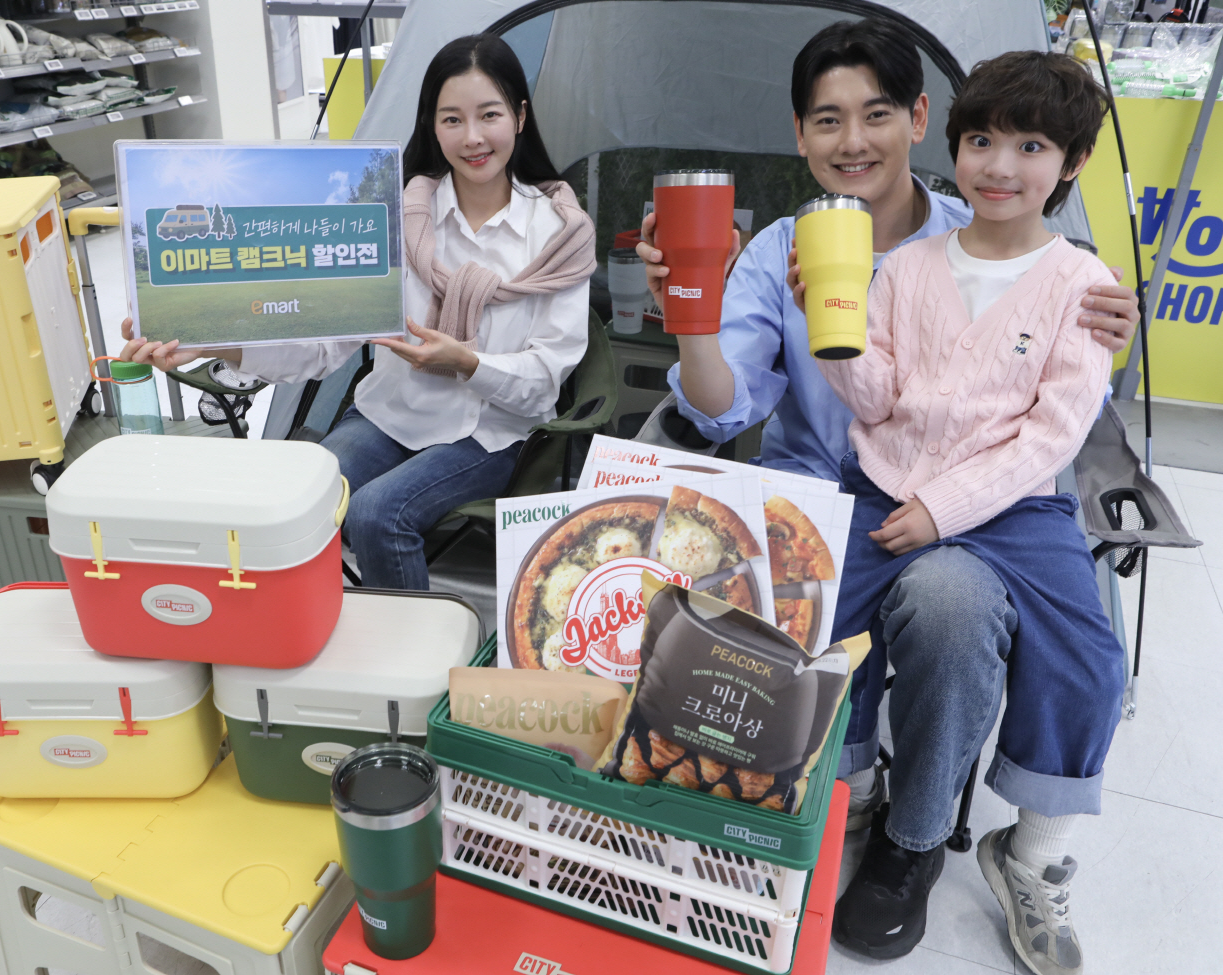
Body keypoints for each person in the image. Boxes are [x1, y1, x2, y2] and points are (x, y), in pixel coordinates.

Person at [634, 18, 1140, 970]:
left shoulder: (1024, 249)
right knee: (801, 610)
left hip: (984, 502)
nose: (852, 140)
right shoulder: (807, 253)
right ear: (799, 134)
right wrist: (696, 306)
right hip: (840, 490)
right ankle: (844, 794)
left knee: (994, 623)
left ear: (916, 119)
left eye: (875, 114)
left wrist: (1105, 323)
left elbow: (1057, 414)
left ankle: (935, 841)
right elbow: (736, 403)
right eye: (827, 120)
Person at [794, 51, 1121, 975]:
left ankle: (1031, 853)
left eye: (1031, 146)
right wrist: (833, 331)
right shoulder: (903, 267)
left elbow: (1051, 435)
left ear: (1073, 162)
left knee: (1090, 661)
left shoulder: (1082, 286)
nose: (999, 166)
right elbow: (878, 399)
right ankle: (853, 788)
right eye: (981, 141)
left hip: (1014, 505)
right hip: (884, 482)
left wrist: (942, 509)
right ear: (954, 143)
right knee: (816, 623)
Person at [119, 34, 595, 590]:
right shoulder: (391, 218)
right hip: (389, 414)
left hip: (490, 433)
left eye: (489, 115)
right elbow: (324, 344)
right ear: (431, 126)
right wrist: (212, 340)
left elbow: (544, 380)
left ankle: (411, 648)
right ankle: (319, 628)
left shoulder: (558, 233)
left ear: (519, 117)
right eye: (451, 120)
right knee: (300, 498)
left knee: (376, 514)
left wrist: (466, 362)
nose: (472, 137)